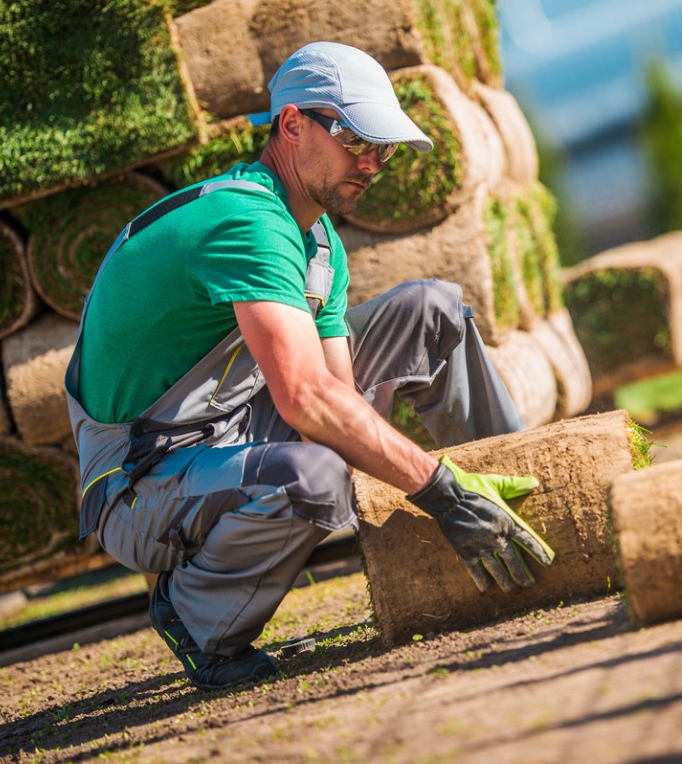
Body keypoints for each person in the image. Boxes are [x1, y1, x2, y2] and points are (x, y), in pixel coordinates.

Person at [64, 41, 554, 692]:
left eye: (384, 147)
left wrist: (418, 480)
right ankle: (195, 617)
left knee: (433, 309)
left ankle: (527, 510)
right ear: (292, 125)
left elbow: (338, 396)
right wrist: (436, 488)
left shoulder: (316, 241)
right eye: (357, 139)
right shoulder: (244, 222)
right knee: (313, 476)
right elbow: (304, 401)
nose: (374, 162)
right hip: (142, 484)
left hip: (228, 432)